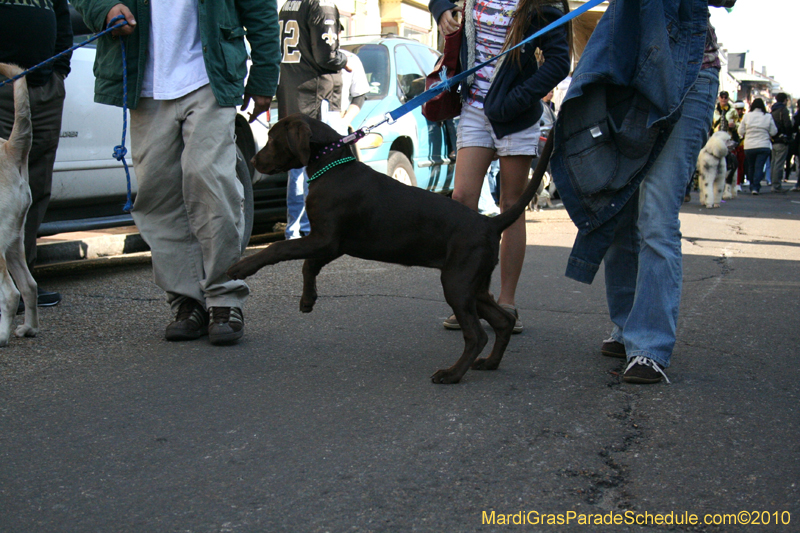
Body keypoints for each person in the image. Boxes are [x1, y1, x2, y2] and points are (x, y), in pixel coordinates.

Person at [72, 0, 280, 345]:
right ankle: (187, 301)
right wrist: (105, 8)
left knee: (211, 183)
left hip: (210, 75)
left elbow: (259, 8)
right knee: (159, 196)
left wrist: (264, 75)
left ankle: (224, 296)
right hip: (145, 80)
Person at [551, 0, 736, 384]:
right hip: (634, 78)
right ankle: (626, 326)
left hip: (691, 76)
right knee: (620, 211)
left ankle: (649, 345)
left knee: (656, 214)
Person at [429, 0, 571, 333]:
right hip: (475, 108)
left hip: (516, 113)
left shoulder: (539, 4)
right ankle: (473, 298)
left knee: (511, 205)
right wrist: (441, 10)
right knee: (461, 200)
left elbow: (559, 62)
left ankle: (506, 303)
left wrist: (519, 98)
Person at [0, 0, 72, 312]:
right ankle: (3, 288)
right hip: (3, 86)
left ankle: (22, 278)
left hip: (44, 88)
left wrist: (59, 72)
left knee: (34, 188)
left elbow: (63, 21)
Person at [277, 0, 348, 240]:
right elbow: (327, 56)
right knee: (322, 165)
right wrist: (345, 60)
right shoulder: (321, 4)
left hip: (292, 93)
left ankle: (295, 229)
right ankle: (315, 228)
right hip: (316, 96)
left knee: (297, 167)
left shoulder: (289, 4)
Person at [738, 98, 777, 195]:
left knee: (751, 166)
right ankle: (756, 186)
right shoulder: (768, 116)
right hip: (763, 145)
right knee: (759, 167)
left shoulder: (747, 116)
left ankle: (752, 185)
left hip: (749, 146)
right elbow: (774, 131)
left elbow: (740, 131)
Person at [769, 93, 792, 193]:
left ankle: (773, 182)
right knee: (779, 163)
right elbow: (787, 125)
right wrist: (789, 135)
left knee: (774, 162)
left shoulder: (773, 110)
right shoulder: (783, 110)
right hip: (782, 140)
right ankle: (776, 185)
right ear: (785, 100)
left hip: (773, 139)